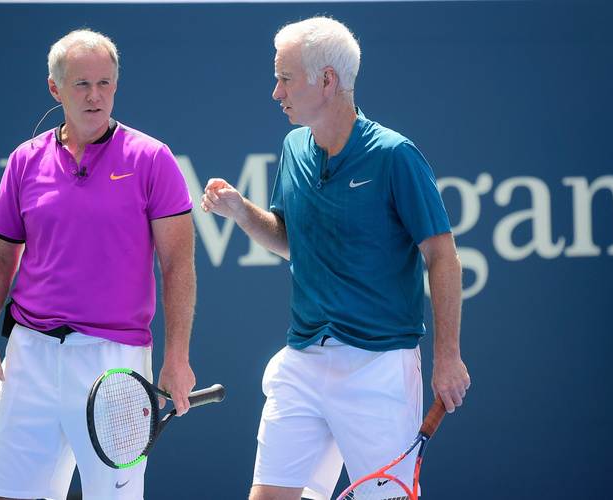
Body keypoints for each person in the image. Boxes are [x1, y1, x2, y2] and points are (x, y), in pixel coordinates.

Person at [201, 16, 470, 500]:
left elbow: (443, 257)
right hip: (303, 358)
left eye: (284, 78)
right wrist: (242, 213)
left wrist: (447, 356)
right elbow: (290, 241)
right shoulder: (293, 147)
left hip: (379, 365)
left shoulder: (395, 156)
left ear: (326, 81)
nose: (275, 92)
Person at [0, 28, 197, 500]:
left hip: (115, 363)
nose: (96, 96)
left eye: (105, 83)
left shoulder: (152, 158)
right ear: (55, 88)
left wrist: (176, 357)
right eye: (81, 85)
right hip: (28, 357)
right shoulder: (24, 162)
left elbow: (177, 263)